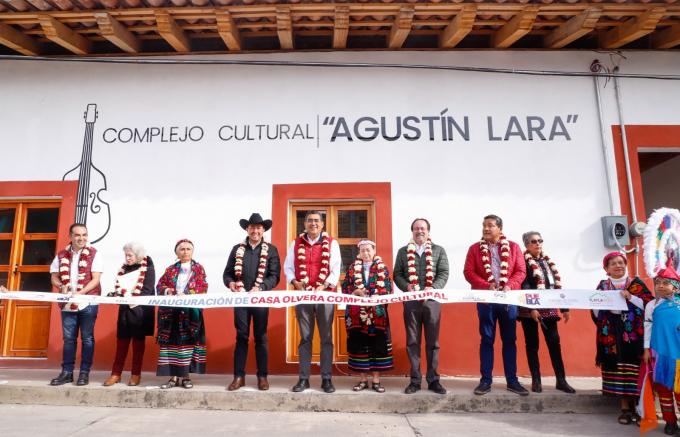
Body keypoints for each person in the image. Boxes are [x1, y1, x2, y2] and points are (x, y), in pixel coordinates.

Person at [463, 214, 528, 396]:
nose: (486, 228)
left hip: (508, 301)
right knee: (487, 339)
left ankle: (512, 381)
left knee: (509, 341)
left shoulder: (514, 247)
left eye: (490, 225)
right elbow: (468, 272)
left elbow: (521, 271)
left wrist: (509, 285)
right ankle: (485, 381)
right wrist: (487, 285)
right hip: (486, 301)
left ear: (500, 228)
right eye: (484, 225)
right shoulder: (475, 249)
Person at [283, 210, 341, 393]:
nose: (313, 223)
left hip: (325, 296)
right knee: (305, 338)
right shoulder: (296, 243)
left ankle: (326, 379)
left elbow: (336, 269)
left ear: (322, 224)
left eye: (317, 221)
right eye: (309, 221)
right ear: (305, 224)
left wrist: (323, 287)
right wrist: (294, 282)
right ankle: (303, 378)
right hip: (303, 296)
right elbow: (288, 267)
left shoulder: (332, 244)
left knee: (326, 338)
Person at [592, 251, 653, 425]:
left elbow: (649, 305)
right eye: (613, 264)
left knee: (634, 368)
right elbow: (595, 312)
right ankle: (625, 409)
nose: (618, 266)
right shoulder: (603, 286)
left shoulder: (636, 284)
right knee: (617, 368)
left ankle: (638, 408)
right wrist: (599, 305)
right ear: (607, 269)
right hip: (610, 334)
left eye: (621, 262)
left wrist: (631, 297)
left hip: (634, 335)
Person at [223, 213, 281, 391]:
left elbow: (275, 276)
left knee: (261, 338)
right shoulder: (237, 249)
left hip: (260, 299)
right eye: (252, 227)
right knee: (241, 336)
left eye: (258, 227)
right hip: (240, 299)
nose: (255, 230)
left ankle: (262, 376)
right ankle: (239, 376)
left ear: (263, 230)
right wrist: (230, 282)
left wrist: (262, 287)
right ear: (247, 229)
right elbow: (227, 273)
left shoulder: (271, 250)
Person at [393, 218, 449, 394]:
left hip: (432, 302)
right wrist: (406, 286)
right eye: (416, 228)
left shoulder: (438, 250)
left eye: (423, 228)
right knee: (412, 341)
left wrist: (434, 288)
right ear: (412, 231)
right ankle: (415, 380)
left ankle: (433, 380)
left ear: (428, 231)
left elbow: (444, 272)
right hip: (411, 302)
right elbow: (397, 274)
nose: (420, 231)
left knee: (433, 342)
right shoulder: (403, 252)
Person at [519, 231, 575, 394]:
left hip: (549, 308)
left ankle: (561, 380)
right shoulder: (523, 262)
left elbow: (556, 285)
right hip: (529, 310)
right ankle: (536, 381)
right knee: (532, 345)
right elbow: (525, 286)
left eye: (540, 240)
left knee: (554, 343)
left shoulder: (547, 261)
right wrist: (532, 308)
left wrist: (564, 308)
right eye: (533, 241)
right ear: (527, 245)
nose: (538, 243)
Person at [48, 223, 103, 386]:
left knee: (87, 339)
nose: (82, 238)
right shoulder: (61, 255)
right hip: (67, 304)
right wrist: (60, 286)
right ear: (70, 236)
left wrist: (80, 293)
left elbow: (96, 279)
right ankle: (67, 373)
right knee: (69, 339)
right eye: (78, 235)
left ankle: (84, 373)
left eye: (84, 235)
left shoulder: (94, 254)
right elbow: (54, 277)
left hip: (88, 303)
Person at [341, 240, 394, 393]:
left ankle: (376, 381)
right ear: (359, 252)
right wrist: (354, 292)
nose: (365, 253)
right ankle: (363, 380)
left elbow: (389, 288)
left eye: (368, 250)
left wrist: (377, 295)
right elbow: (345, 287)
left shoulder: (382, 268)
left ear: (374, 250)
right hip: (356, 314)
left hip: (377, 314)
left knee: (377, 345)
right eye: (362, 250)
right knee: (359, 346)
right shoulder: (352, 268)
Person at [156, 239, 208, 389]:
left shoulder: (199, 269)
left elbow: (202, 286)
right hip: (172, 313)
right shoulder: (170, 269)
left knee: (186, 344)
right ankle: (173, 377)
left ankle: (185, 377)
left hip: (190, 314)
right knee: (172, 344)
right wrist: (168, 291)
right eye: (182, 249)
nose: (185, 252)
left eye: (188, 249)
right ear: (176, 252)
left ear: (192, 252)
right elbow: (160, 285)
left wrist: (186, 294)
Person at [103, 242, 156, 387]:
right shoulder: (124, 269)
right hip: (125, 311)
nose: (127, 258)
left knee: (138, 346)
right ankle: (115, 374)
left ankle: (135, 375)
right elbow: (120, 288)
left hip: (140, 312)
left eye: (130, 255)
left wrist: (130, 297)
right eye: (126, 255)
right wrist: (116, 294)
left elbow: (146, 290)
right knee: (121, 344)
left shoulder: (148, 268)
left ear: (138, 255)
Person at [643, 260, 680, 435]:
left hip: (678, 355)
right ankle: (670, 422)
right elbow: (647, 328)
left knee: (679, 391)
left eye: (666, 283)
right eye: (658, 283)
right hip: (660, 354)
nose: (661, 286)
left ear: (675, 287)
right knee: (664, 390)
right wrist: (646, 350)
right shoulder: (652, 306)